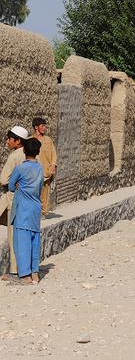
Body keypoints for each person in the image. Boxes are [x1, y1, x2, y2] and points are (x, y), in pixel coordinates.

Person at [8, 138, 44, 284]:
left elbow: (11, 186)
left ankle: (25, 276)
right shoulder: (40, 168)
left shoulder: (20, 168)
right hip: (35, 208)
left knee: (22, 242)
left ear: (24, 151)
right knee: (34, 240)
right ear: (38, 152)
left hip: (23, 209)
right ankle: (35, 272)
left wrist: (18, 185)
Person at [1, 125, 30, 278]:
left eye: (9, 139)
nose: (7, 141)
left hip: (13, 199)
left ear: (18, 141)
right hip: (27, 200)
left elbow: (3, 179)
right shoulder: (29, 154)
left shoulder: (14, 156)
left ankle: (15, 270)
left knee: (13, 236)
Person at [32, 117, 57, 216]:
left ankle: (42, 213)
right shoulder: (30, 140)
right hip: (33, 173)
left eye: (45, 126)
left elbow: (54, 154)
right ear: (36, 127)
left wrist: (53, 165)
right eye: (42, 126)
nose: (44, 128)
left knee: (44, 194)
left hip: (45, 172)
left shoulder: (48, 140)